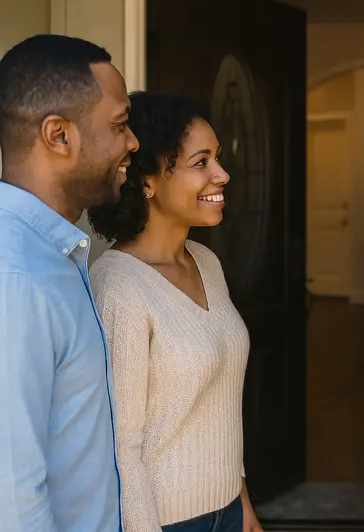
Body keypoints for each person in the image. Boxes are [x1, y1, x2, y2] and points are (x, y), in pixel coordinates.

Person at [87, 91, 262, 532]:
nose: (222, 174)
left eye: (217, 159)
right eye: (201, 162)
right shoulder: (119, 287)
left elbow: (221, 409)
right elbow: (121, 447)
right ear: (147, 179)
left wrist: (242, 506)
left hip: (227, 509)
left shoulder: (206, 262)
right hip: (168, 521)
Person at [0, 34, 138, 531]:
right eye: (120, 125)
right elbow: (11, 499)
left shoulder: (52, 254)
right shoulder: (13, 276)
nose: (133, 142)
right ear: (59, 136)